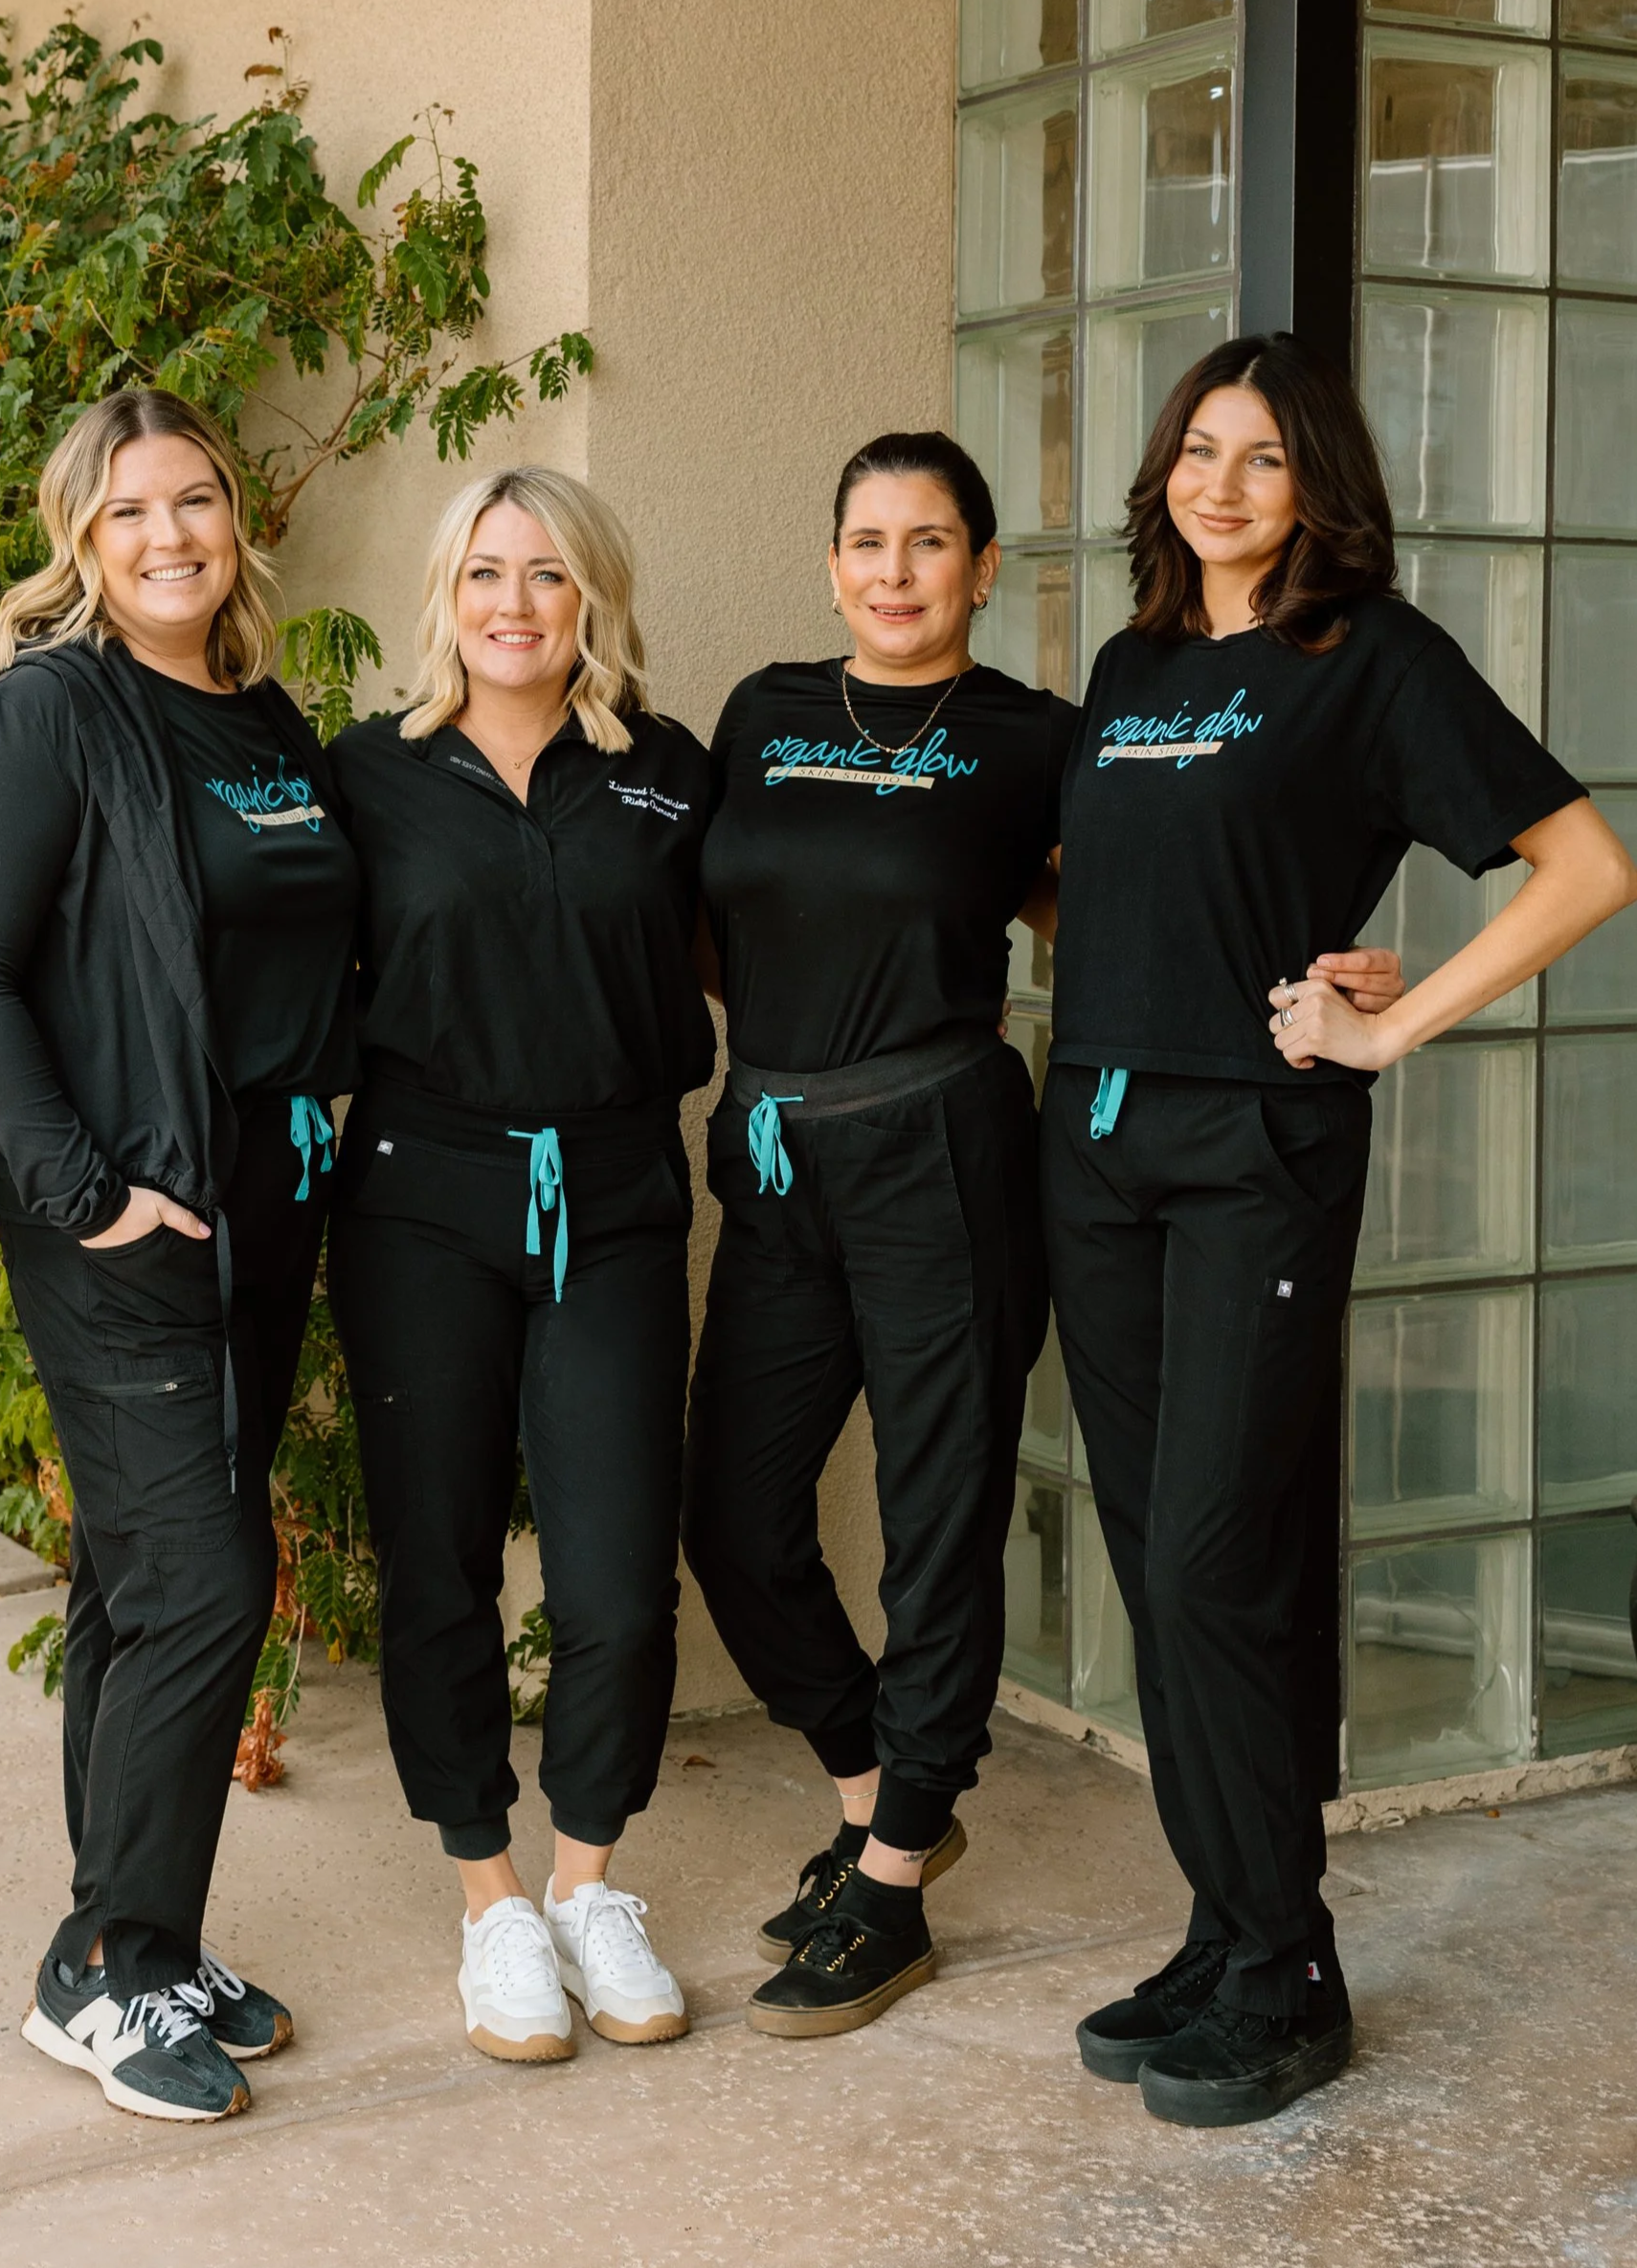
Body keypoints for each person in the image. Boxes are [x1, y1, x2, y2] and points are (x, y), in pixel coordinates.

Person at [681, 429, 1402, 2042]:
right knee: (730, 1513)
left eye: (928, 543)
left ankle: (883, 1881)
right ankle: (892, 1793)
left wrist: (1337, 973)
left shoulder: (1035, 741)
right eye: (865, 540)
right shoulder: (762, 712)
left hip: (944, 1150)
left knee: (939, 1528)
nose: (892, 571)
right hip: (780, 1143)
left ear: (982, 568)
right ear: (832, 562)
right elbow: (718, 925)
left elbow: (1142, 911)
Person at [1043, 332, 1637, 2128]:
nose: (1219, 485)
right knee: (1158, 1558)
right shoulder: (1134, 659)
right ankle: (1225, 1924)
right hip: (1099, 1142)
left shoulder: (1367, 659)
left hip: (1253, 1154)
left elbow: (1585, 864)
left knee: (1219, 1557)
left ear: (1318, 491)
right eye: (1196, 451)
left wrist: (1388, 1015)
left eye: (1263, 461)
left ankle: (1288, 1966)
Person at [0, 389, 358, 2122]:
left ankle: (141, 1939)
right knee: (209, 1580)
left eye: (195, 501)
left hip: (262, 1213)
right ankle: (102, 1967)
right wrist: (81, 1190)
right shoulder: (57, 710)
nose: (169, 536)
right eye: (130, 510)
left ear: (237, 519)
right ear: (83, 531)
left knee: (145, 1585)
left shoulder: (265, 714)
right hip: (128, 1221)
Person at [326, 467, 711, 2063]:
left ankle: (587, 1882)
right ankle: (490, 1898)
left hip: (615, 1193)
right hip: (423, 1194)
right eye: (484, 572)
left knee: (618, 1580)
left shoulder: (668, 773)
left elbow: (801, 917)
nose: (512, 603)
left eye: (545, 575)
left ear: (592, 598)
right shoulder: (366, 772)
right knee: (442, 1561)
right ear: (448, 594)